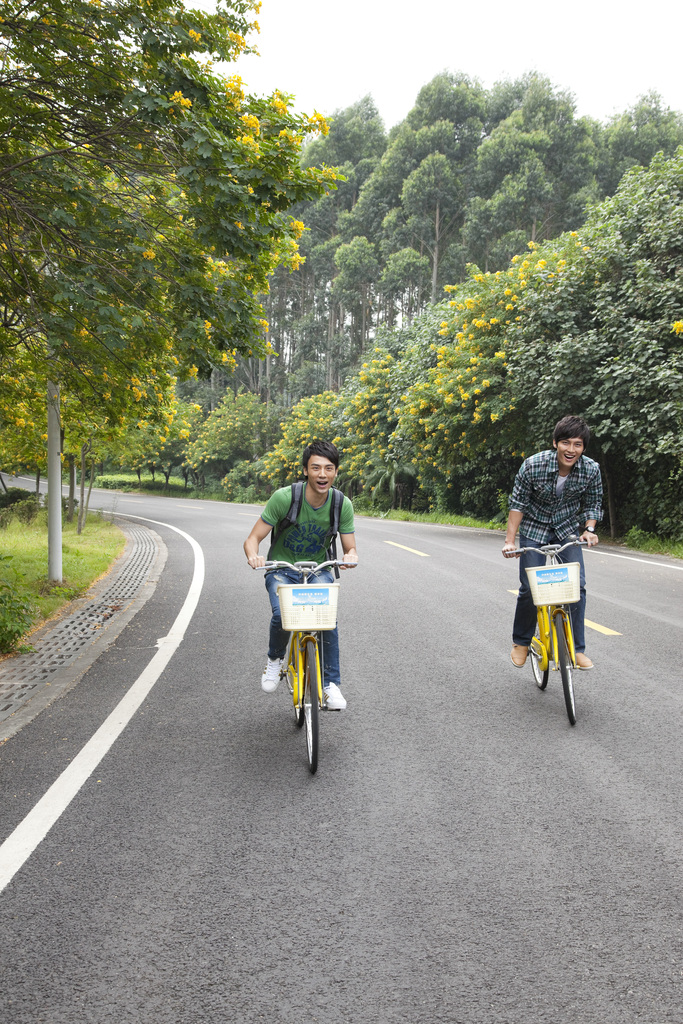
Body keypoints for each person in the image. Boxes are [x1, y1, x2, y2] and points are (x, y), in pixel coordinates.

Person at [244, 439, 358, 709]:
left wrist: (351, 556)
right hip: (282, 569)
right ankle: (274, 659)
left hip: (318, 568)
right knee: (283, 614)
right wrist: (253, 555)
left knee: (326, 619)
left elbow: (350, 546)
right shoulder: (285, 498)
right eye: (316, 468)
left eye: (329, 468)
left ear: (335, 472)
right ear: (305, 470)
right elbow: (252, 538)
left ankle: (330, 685)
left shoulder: (341, 503)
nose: (322, 474)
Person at [502, 415, 602, 670]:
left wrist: (589, 529)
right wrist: (510, 541)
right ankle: (522, 642)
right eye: (566, 443)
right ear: (555, 442)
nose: (571, 450)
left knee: (577, 589)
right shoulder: (533, 465)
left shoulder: (591, 469)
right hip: (534, 528)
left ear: (583, 448)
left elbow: (593, 502)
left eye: (577, 444)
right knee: (529, 588)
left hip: (566, 529)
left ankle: (576, 649)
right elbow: (518, 505)